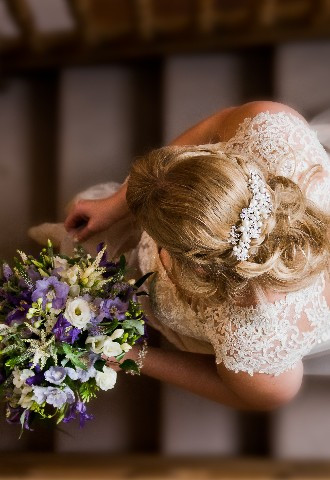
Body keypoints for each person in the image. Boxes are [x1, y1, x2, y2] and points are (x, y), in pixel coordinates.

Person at [64, 101, 330, 411]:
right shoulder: (268, 129)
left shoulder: (258, 341)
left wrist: (135, 356)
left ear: (196, 264)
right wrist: (115, 204)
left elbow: (249, 396)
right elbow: (215, 124)